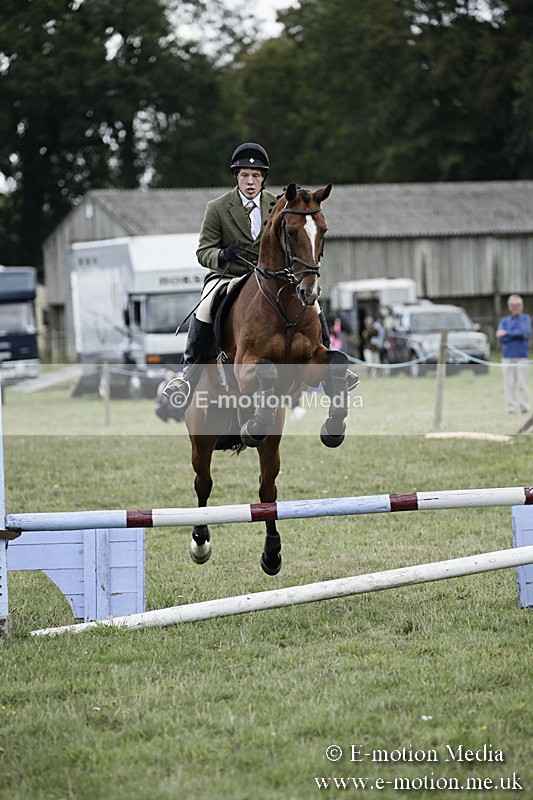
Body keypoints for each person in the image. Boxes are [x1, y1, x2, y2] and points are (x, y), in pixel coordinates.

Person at [163, 142, 357, 410]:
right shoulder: (218, 207)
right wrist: (222, 256)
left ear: (263, 177)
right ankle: (188, 376)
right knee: (206, 306)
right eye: (244, 175)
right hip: (229, 275)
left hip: (271, 277)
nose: (250, 181)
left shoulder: (279, 205)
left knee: (314, 301)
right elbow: (203, 251)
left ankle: (330, 366)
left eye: (255, 175)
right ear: (236, 177)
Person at [496, 294, 531, 414]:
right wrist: (515, 334)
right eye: (513, 306)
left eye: (518, 305)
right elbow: (500, 338)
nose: (515, 308)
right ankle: (511, 408)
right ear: (509, 307)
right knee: (509, 384)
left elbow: (524, 332)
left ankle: (524, 407)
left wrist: (506, 333)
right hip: (507, 358)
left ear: (522, 306)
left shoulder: (526, 319)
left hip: (522, 357)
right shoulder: (504, 321)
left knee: (523, 384)